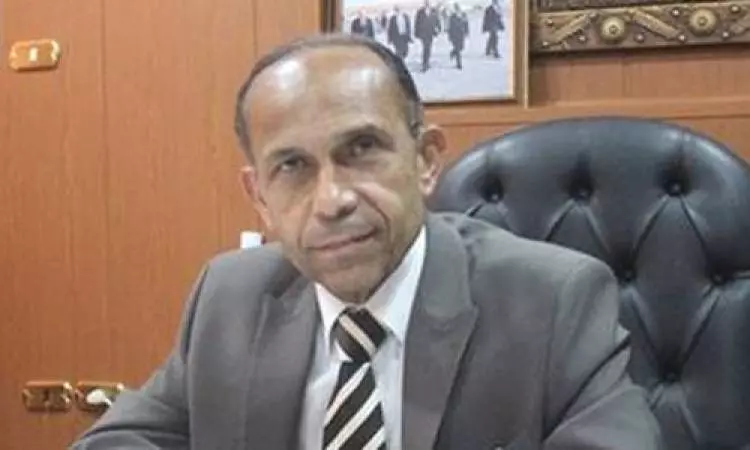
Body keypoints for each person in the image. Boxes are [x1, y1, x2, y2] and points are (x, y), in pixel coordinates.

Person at [70, 33, 663, 449]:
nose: (332, 200)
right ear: (259, 198)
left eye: (361, 150)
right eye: (292, 167)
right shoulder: (229, 297)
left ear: (426, 160)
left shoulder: (554, 299)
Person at [414, 0, 441, 72]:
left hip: (430, 33)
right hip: (423, 33)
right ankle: (425, 64)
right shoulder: (420, 12)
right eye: (426, 3)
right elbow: (417, 23)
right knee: (426, 47)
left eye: (428, 3)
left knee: (428, 48)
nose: (427, 5)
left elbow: (437, 20)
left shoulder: (433, 11)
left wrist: (439, 28)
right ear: (424, 4)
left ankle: (426, 62)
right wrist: (416, 33)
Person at [447, 3, 469, 70]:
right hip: (454, 35)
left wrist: (467, 32)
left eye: (458, 8)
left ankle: (453, 52)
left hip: (461, 35)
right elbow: (450, 27)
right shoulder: (452, 17)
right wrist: (449, 36)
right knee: (458, 49)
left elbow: (466, 24)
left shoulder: (463, 15)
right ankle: (459, 64)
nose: (457, 9)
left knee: (461, 48)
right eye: (456, 8)